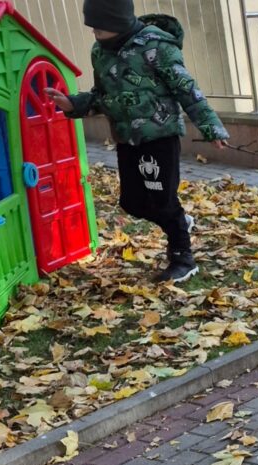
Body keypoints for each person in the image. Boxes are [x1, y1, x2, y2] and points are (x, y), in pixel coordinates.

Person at [46, 0, 229, 284]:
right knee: (131, 202)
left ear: (118, 20)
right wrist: (73, 104)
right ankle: (180, 223)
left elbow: (186, 88)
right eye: (92, 26)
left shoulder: (157, 47)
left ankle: (183, 257)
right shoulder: (100, 52)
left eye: (100, 26)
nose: (94, 32)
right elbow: (101, 96)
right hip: (125, 137)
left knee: (163, 199)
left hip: (159, 136)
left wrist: (211, 127)